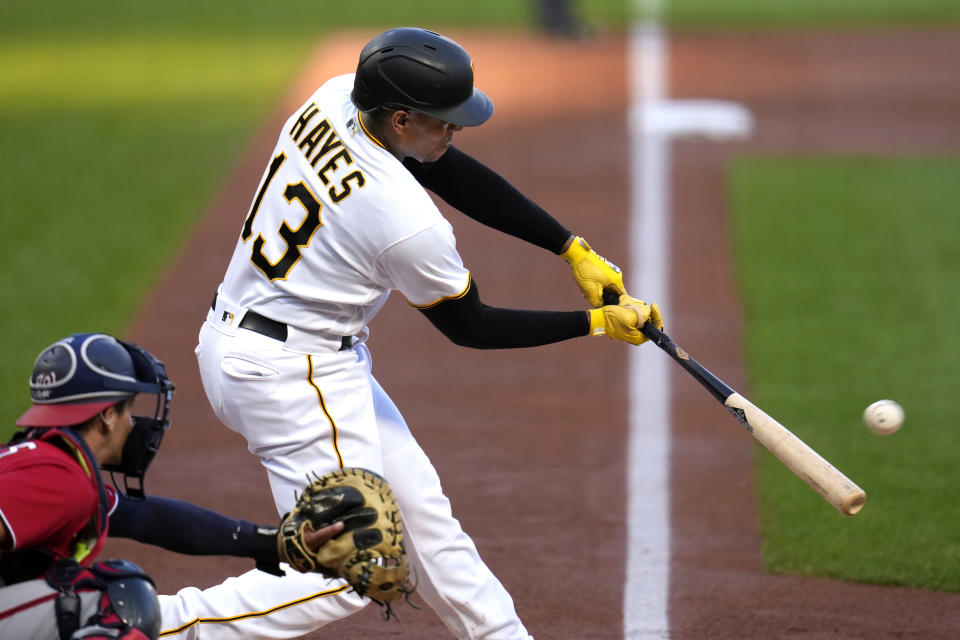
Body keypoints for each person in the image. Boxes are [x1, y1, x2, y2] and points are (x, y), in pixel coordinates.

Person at [160, 27, 663, 639]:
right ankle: (140, 625)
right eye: (443, 122)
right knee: (343, 572)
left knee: (425, 521)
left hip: (274, 344)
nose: (454, 132)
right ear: (401, 119)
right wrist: (594, 324)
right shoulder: (402, 220)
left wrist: (567, 247)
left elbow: (446, 169)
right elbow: (470, 326)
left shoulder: (336, 97)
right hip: (291, 378)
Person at [0, 333, 343, 640]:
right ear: (107, 416)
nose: (133, 424)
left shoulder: (50, 464)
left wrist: (269, 543)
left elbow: (148, 519)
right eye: (128, 410)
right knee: (119, 601)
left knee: (72, 591)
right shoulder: (60, 479)